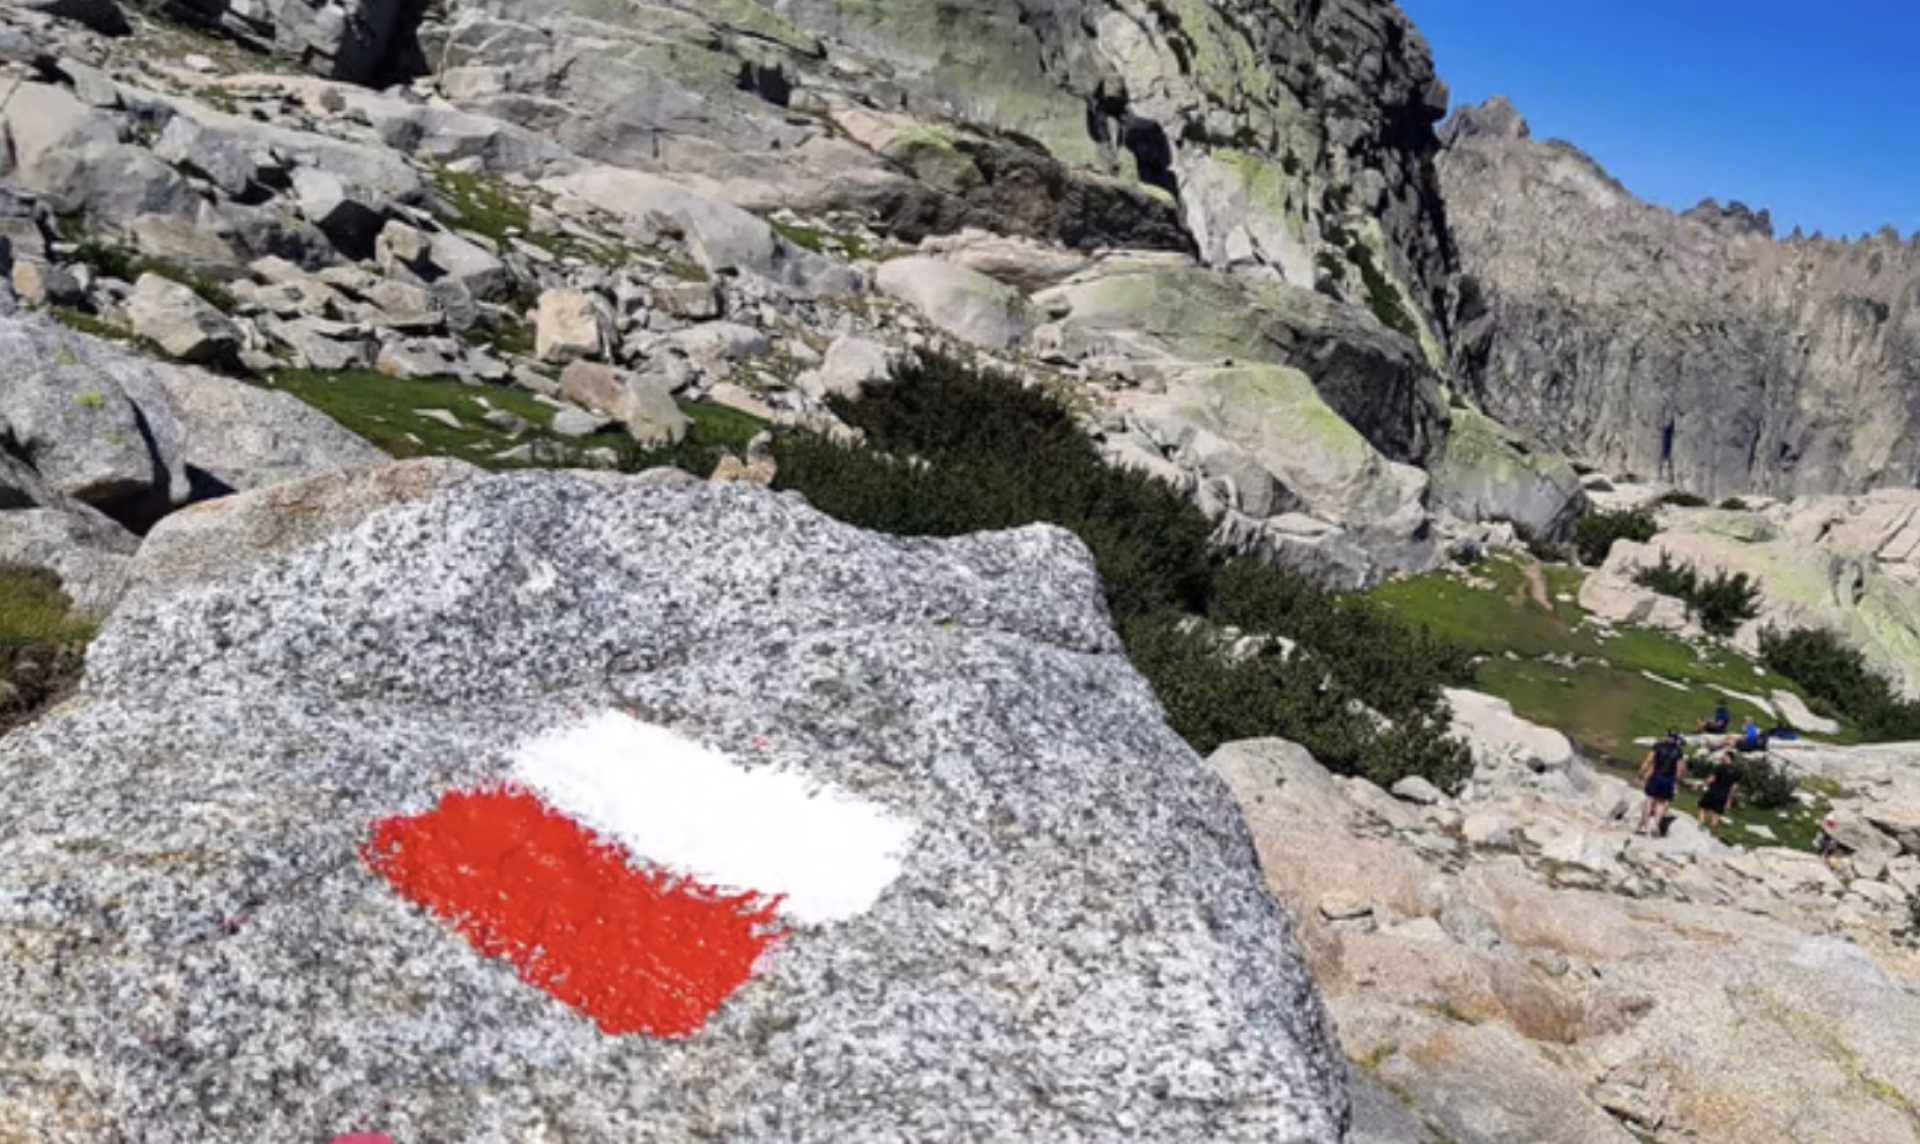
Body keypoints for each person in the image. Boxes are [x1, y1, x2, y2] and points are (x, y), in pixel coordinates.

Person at [1637, 730, 1687, 836]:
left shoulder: (1658, 746)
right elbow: (1680, 768)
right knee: (1661, 802)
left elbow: (1649, 760)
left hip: (1656, 776)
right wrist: (1677, 781)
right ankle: (1655, 825)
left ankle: (1644, 828)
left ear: (1667, 736)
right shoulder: (1678, 751)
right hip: (1668, 779)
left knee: (1649, 800)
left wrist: (1642, 772)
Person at [1694, 749, 1741, 836]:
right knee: (1717, 814)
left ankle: (1701, 825)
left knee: (1702, 807)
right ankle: (1712, 833)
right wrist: (1729, 801)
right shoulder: (1737, 771)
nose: (1722, 757)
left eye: (1724, 755)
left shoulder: (1720, 767)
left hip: (1713, 792)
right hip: (1724, 795)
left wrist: (1700, 785)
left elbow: (1711, 779)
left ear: (1728, 757)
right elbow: (1734, 788)